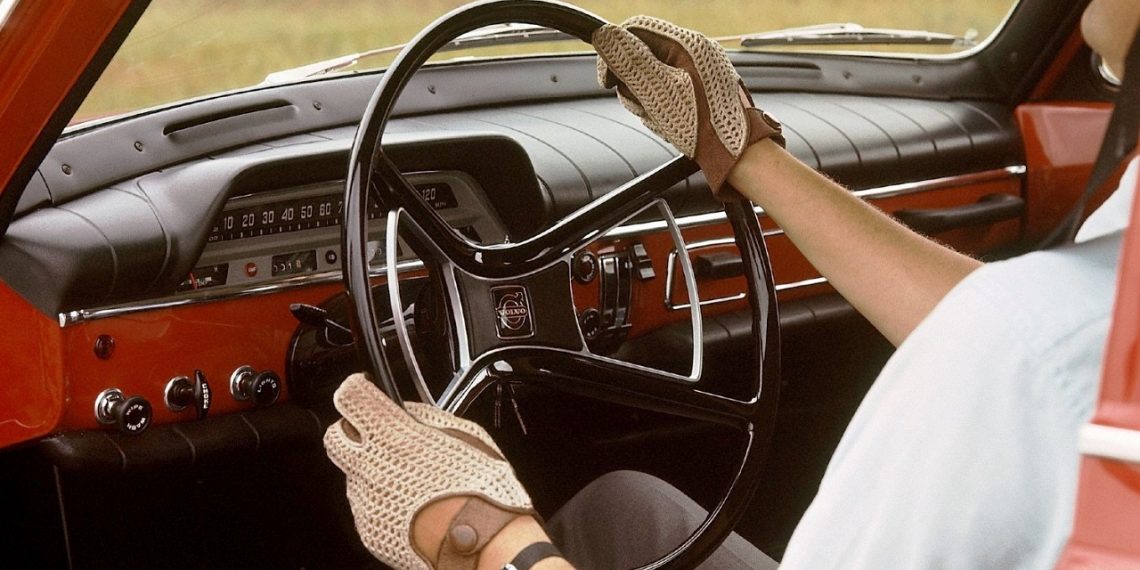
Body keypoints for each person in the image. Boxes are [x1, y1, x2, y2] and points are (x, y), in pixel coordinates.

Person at [321, 1, 1140, 569]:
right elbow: (1008, 334)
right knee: (621, 513)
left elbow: (1019, 348)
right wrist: (744, 154)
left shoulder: (1025, 356)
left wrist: (482, 540)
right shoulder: (1059, 317)